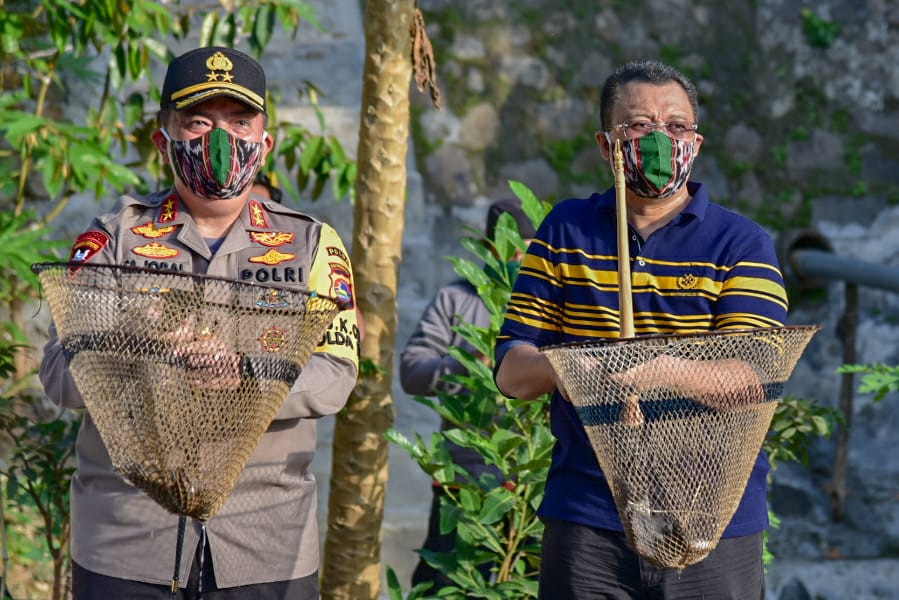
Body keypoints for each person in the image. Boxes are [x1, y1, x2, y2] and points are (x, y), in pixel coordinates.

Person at [39, 46, 359, 599]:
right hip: (126, 540)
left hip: (266, 541)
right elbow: (58, 377)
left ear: (266, 141)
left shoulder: (312, 245)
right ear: (165, 141)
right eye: (198, 122)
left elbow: (337, 374)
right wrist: (141, 351)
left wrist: (248, 378)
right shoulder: (112, 240)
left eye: (239, 121)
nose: (220, 138)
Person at [494, 59, 788, 598]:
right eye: (639, 127)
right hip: (589, 519)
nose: (659, 140)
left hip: (713, 522)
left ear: (695, 144)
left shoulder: (741, 244)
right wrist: (569, 369)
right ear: (608, 146)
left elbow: (754, 381)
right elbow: (512, 371)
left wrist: (658, 373)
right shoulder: (566, 231)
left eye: (675, 127)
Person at [400, 198, 535, 590]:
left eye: (526, 249)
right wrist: (466, 361)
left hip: (531, 484)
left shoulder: (549, 305)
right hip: (464, 482)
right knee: (446, 583)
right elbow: (412, 371)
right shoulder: (456, 299)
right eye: (509, 248)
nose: (517, 258)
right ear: (489, 249)